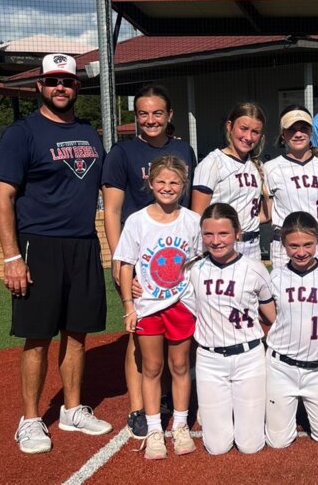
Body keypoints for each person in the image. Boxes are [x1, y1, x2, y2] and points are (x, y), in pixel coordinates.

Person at [0, 53, 112, 454]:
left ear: (78, 87)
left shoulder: (89, 132)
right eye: (52, 81)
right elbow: (4, 197)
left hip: (82, 243)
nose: (60, 87)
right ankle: (29, 419)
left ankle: (73, 409)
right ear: (39, 86)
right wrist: (12, 257)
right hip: (39, 243)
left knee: (77, 333)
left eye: (68, 81)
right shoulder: (22, 133)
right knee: (38, 336)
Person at [101, 84, 197, 438]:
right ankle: (138, 407)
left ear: (169, 115)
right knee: (138, 339)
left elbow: (189, 205)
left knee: (176, 338)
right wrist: (117, 259)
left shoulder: (183, 149)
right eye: (143, 113)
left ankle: (170, 400)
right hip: (138, 258)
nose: (151, 119)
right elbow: (112, 209)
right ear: (136, 117)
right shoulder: (122, 151)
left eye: (158, 113)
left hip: (171, 255)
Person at [115, 155, 200, 459]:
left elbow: (198, 262)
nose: (167, 187)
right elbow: (124, 265)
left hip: (181, 305)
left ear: (183, 185)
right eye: (161, 182)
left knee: (179, 366)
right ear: (150, 183)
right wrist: (129, 304)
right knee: (151, 368)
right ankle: (153, 430)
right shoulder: (137, 220)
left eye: (174, 182)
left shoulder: (192, 220)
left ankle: (179, 425)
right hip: (148, 307)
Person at [189, 203, 276, 455]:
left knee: (250, 446)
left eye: (223, 233)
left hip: (249, 359)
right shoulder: (194, 269)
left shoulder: (255, 269)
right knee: (216, 447)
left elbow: (273, 317)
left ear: (237, 232)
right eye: (209, 234)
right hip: (209, 359)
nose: (216, 241)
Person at [265, 211, 318, 447]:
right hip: (281, 367)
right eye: (293, 246)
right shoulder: (275, 277)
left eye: (308, 244)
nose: (301, 252)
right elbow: (265, 317)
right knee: (278, 442)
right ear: (284, 246)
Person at [192, 103, 268, 260]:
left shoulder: (256, 165)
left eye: (255, 132)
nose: (248, 137)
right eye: (244, 128)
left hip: (252, 245)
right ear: (229, 126)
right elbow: (197, 216)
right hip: (221, 246)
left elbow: (259, 214)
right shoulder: (212, 163)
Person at [264, 105, 318, 267]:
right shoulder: (270, 168)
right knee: (285, 291)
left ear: (311, 132)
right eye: (291, 129)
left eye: (304, 128)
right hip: (285, 244)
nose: (298, 134)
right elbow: (266, 213)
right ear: (283, 134)